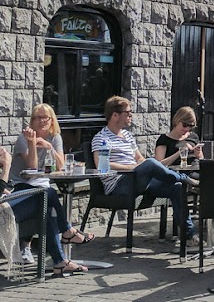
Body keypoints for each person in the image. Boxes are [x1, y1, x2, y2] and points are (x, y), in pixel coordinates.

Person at [92, 96, 199, 246]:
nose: (131, 116)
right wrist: (135, 167)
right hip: (119, 185)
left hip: (138, 180)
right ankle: (183, 177)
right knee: (152, 163)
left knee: (176, 188)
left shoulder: (128, 136)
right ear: (115, 115)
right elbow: (101, 165)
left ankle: (189, 236)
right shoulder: (101, 138)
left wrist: (146, 167)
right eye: (128, 113)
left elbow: (140, 160)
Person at [9, 104, 95, 266]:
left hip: (41, 188)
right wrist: (32, 143)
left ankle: (60, 263)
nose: (41, 121)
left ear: (51, 120)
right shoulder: (24, 138)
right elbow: (31, 167)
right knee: (50, 193)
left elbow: (61, 165)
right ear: (32, 121)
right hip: (22, 188)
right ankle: (68, 231)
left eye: (45, 118)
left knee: (48, 209)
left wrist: (49, 147)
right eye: (37, 118)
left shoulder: (55, 137)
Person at [1, 146, 89, 276]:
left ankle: (61, 260)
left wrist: (8, 192)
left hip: (5, 202)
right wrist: (7, 166)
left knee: (46, 206)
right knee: (47, 193)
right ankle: (67, 233)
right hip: (3, 210)